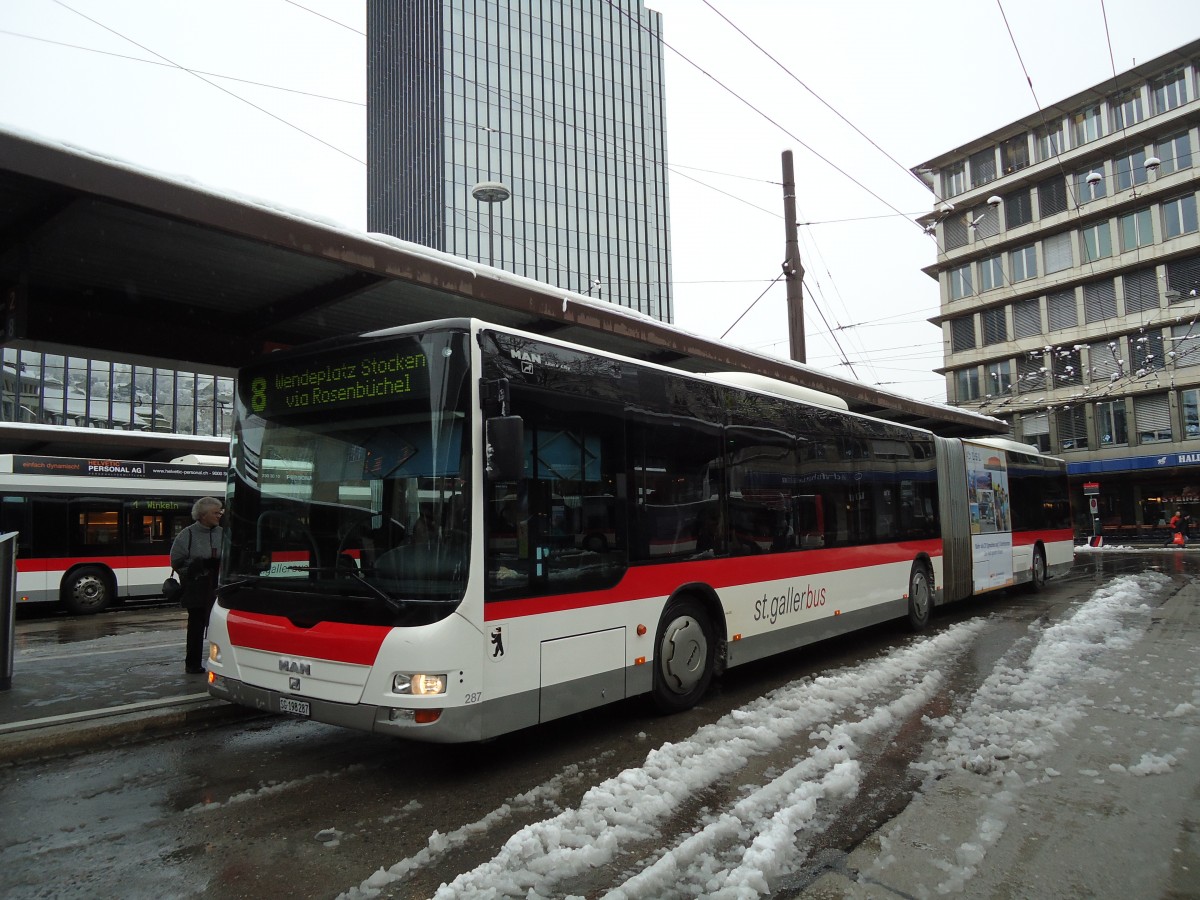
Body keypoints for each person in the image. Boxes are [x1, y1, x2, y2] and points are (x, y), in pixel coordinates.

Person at [170, 496, 224, 674]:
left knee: (221, 625)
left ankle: (223, 661)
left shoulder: (223, 533)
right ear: (203, 515)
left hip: (220, 587)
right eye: (215, 512)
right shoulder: (187, 534)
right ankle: (192, 663)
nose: (219, 515)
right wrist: (197, 567)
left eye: (220, 512)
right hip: (197, 589)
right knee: (196, 627)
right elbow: (177, 562)